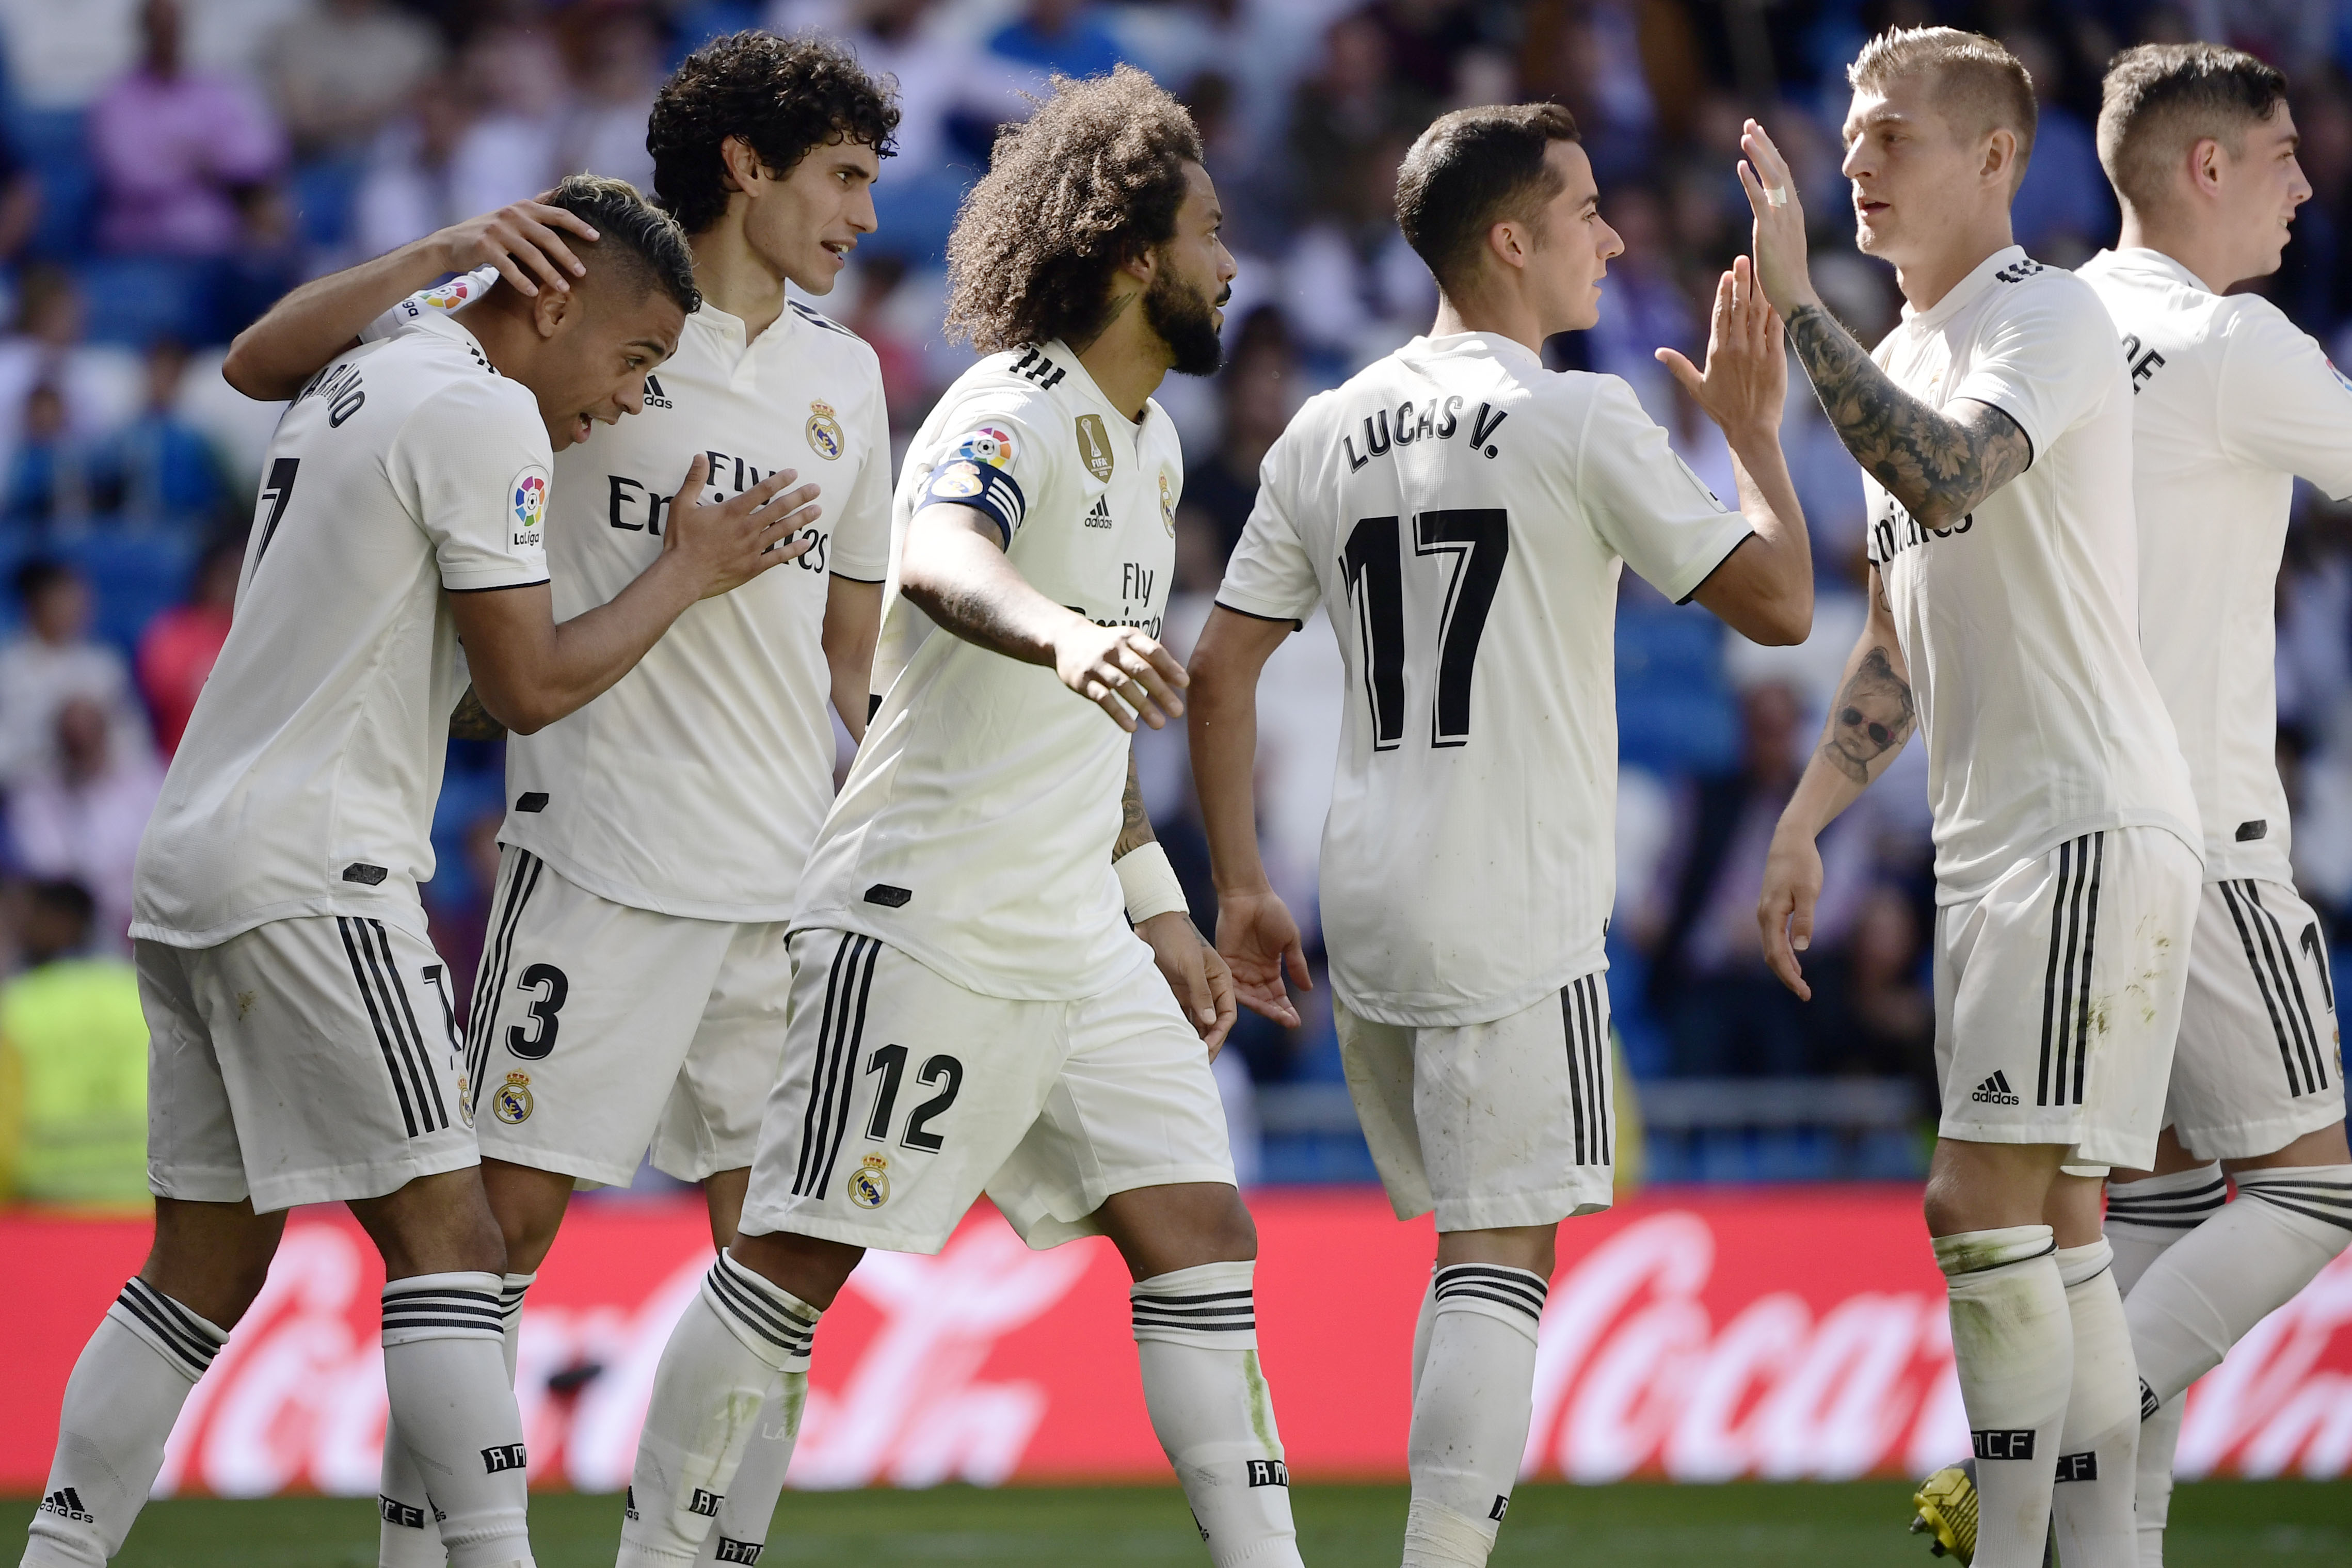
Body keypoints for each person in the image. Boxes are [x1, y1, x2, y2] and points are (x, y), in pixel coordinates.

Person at [20, 173, 820, 1568]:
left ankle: (63, 1551)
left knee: (198, 1269)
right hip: (318, 867)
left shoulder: (380, 360)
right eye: (632, 360)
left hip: (193, 856)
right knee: (453, 1235)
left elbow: (252, 357)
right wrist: (687, 568)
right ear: (551, 300)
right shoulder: (481, 410)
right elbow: (526, 683)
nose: (629, 401)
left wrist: (445, 254)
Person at [226, 33, 901, 1566]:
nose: (864, 217)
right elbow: (288, 372)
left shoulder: (849, 380)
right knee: (494, 1249)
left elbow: (853, 663)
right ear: (748, 165)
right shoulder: (568, 314)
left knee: (780, 1271)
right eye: (846, 178)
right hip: (595, 862)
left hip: (778, 886)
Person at [617, 67, 1305, 1568]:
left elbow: (1096, 721)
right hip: (924, 915)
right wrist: (1057, 632)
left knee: (1201, 1238)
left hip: (1075, 930)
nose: (1231, 261)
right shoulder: (1012, 405)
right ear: (1134, 256)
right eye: (1207, 231)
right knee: (793, 1257)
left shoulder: (1157, 444)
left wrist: (1159, 902)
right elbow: (937, 553)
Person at [1186, 102, 1812, 1568]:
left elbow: (1219, 670)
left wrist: (1238, 884)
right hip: (1512, 895)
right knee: (1499, 1253)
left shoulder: (1321, 424)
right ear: (1510, 238)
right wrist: (1754, 440)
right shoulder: (1577, 412)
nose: (1613, 234)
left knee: (1470, 1246)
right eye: (1587, 208)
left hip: (1368, 896)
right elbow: (1782, 605)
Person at [1740, 28, 2202, 1568]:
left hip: (2081, 817)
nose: (1857, 158)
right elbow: (1893, 639)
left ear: (1994, 157)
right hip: (1990, 840)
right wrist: (1808, 816)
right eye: (1852, 133)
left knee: (1973, 1201)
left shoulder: (2047, 314)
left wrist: (1800, 311)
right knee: (2055, 1234)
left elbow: (1946, 478)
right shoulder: (1913, 349)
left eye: (1893, 135)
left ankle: (2008, 1551)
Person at [2077, 43, 2352, 1566]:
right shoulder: (2231, 342)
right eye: (2280, 157)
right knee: (2316, 1189)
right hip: (2198, 836)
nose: (2305, 188)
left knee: (2166, 1203)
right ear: (2204, 168)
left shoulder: (2028, 329)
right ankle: (2033, 1442)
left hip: (2046, 854)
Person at [0, 880, 148, 1207]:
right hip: (143, 1201)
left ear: (62, 920)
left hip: (42, 1205)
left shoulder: (16, 1004)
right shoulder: (141, 994)